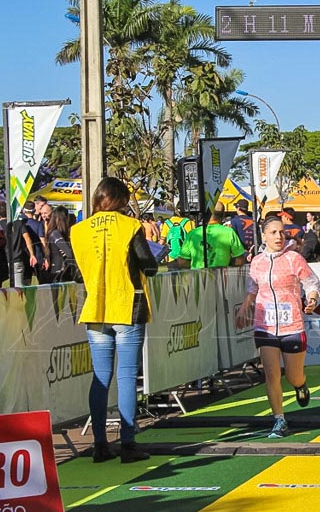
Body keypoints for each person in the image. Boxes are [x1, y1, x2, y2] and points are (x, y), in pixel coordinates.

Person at [71, 177, 158, 463]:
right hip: (127, 306)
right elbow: (148, 263)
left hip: (95, 308)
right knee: (127, 376)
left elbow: (77, 269)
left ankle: (99, 444)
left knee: (100, 377)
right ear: (121, 199)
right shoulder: (131, 226)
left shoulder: (78, 230)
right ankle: (129, 445)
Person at [235, 216, 320, 438]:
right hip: (265, 325)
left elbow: (311, 282)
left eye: (281, 232)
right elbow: (253, 287)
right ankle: (279, 420)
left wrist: (311, 298)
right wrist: (245, 307)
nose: (278, 236)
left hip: (292, 325)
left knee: (294, 376)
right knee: (271, 374)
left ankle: (301, 386)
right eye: (273, 233)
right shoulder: (257, 262)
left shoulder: (294, 259)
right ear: (264, 236)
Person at [175, 202, 247, 269]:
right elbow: (239, 260)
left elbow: (182, 262)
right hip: (221, 279)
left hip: (198, 279)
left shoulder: (193, 233)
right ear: (223, 215)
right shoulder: (229, 232)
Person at [6, 202, 44, 287]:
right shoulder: (38, 224)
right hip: (33, 256)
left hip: (19, 256)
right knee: (30, 283)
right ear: (34, 210)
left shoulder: (16, 223)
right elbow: (40, 240)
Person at [45, 206, 79, 282]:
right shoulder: (56, 234)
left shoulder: (56, 233)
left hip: (60, 270)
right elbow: (69, 252)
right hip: (59, 272)